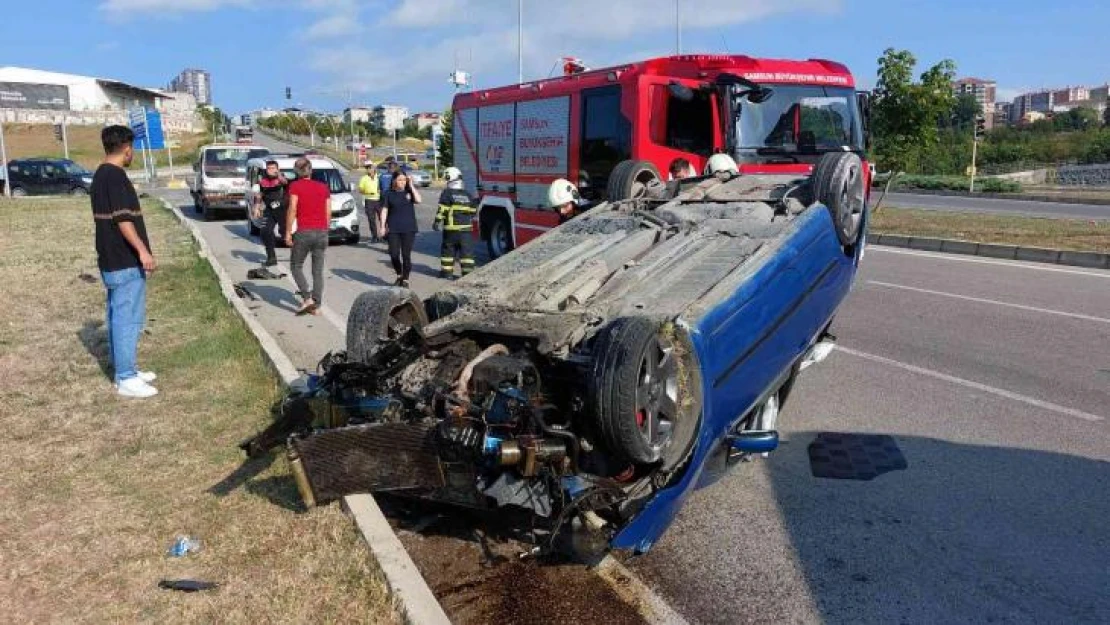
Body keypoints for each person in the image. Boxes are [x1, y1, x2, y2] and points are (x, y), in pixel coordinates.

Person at [90, 125, 158, 398]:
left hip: (110, 258)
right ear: (127, 148)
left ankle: (125, 369)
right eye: (133, 149)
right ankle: (127, 377)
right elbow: (123, 219)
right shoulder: (115, 177)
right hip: (124, 259)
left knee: (118, 315)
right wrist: (143, 251)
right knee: (127, 318)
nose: (134, 153)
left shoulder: (100, 174)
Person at [284, 157, 330, 315]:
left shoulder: (295, 186)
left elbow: (293, 209)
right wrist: (325, 228)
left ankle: (307, 298)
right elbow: (328, 211)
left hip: (304, 231)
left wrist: (288, 232)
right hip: (322, 231)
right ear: (310, 170)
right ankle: (316, 305)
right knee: (317, 271)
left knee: (296, 266)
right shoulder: (323, 187)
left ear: (296, 171)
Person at [379, 168, 422, 287]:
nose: (402, 182)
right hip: (393, 228)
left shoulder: (409, 192)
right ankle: (399, 274)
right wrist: (382, 226)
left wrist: (412, 185)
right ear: (394, 181)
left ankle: (406, 280)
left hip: (409, 228)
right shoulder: (388, 194)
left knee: (406, 255)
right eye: (400, 180)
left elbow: (419, 200)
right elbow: (384, 210)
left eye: (404, 180)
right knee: (393, 254)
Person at [434, 167, 476, 279]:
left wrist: (437, 222)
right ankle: (467, 274)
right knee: (466, 253)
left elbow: (442, 209)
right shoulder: (468, 195)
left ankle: (447, 273)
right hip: (466, 231)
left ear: (449, 177)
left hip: (451, 230)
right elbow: (473, 211)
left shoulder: (447, 193)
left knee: (448, 251)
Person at [251, 160, 288, 266]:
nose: (270, 170)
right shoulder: (263, 181)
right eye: (268, 168)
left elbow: (285, 182)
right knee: (265, 231)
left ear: (277, 169)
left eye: (273, 168)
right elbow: (259, 196)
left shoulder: (281, 178)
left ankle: (298, 253)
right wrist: (256, 208)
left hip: (281, 209)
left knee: (285, 232)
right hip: (269, 210)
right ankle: (271, 257)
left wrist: (278, 175)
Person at [357, 160, 382, 243]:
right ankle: (375, 236)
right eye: (367, 168)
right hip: (369, 200)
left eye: (370, 167)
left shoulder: (379, 177)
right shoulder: (363, 178)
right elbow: (360, 190)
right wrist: (366, 192)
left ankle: (385, 235)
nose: (369, 169)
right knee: (371, 220)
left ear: (374, 168)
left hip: (379, 200)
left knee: (383, 218)